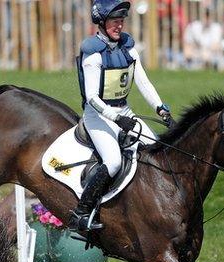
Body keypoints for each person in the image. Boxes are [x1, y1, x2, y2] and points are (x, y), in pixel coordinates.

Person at [70, 0, 174, 232]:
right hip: (98, 116)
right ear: (101, 22)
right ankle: (82, 213)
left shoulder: (128, 48)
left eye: (121, 20)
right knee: (114, 161)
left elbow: (144, 83)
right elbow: (92, 98)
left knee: (156, 148)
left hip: (124, 111)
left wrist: (161, 108)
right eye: (115, 20)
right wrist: (117, 119)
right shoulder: (93, 55)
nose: (120, 25)